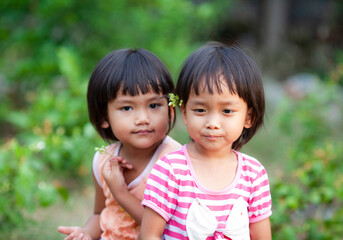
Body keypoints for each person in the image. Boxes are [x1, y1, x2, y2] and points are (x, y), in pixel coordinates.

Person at [140, 42, 272, 240]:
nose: (212, 123)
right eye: (200, 110)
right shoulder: (170, 170)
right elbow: (149, 235)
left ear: (248, 117)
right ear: (184, 113)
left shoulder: (253, 174)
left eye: (227, 111)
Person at [57, 48, 181, 240]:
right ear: (104, 117)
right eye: (127, 107)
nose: (142, 118)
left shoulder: (174, 161)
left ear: (170, 111)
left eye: (154, 105)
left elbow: (166, 229)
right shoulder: (103, 160)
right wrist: (85, 234)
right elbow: (101, 214)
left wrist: (121, 192)